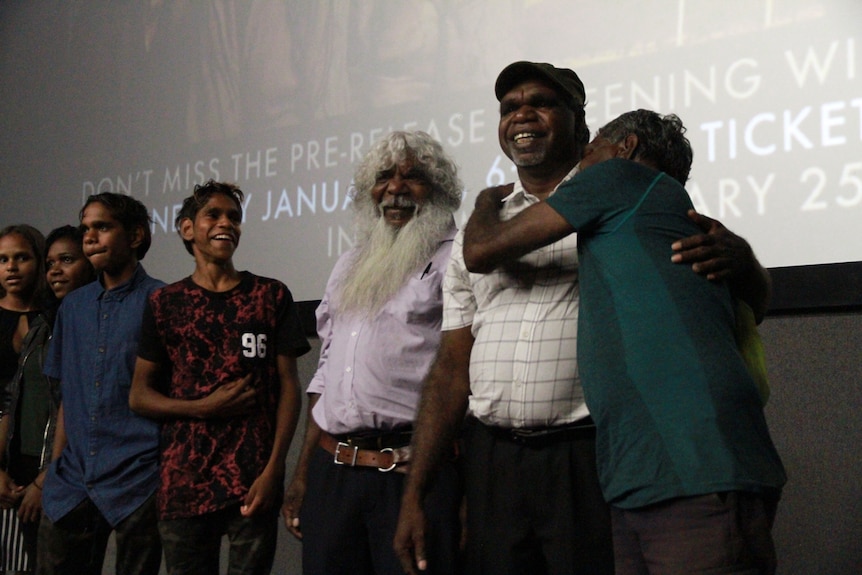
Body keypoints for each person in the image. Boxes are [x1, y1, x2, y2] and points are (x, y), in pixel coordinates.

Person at [394, 62, 772, 575]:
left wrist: (746, 261)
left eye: (542, 102)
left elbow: (737, 297)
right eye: (509, 107)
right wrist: (419, 490)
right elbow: (451, 365)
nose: (522, 114)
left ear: (587, 127)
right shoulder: (489, 231)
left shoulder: (625, 190)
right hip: (509, 464)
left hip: (596, 458)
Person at [282, 131, 463, 575]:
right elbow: (324, 374)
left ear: (439, 191)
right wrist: (304, 471)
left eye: (413, 177)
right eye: (384, 176)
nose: (395, 188)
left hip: (412, 474)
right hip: (333, 472)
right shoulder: (349, 262)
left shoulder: (458, 258)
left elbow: (465, 375)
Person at [129, 180, 310, 575]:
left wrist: (274, 468)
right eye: (214, 214)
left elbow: (289, 389)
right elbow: (139, 396)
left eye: (235, 217)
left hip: (253, 476)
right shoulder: (164, 303)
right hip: (184, 480)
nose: (226, 223)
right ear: (187, 228)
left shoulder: (270, 295)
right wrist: (202, 407)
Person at [37, 193, 165, 575]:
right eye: (86, 228)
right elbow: (68, 398)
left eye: (103, 226)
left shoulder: (161, 300)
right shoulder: (73, 307)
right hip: (72, 479)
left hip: (138, 476)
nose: (90, 236)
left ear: (136, 236)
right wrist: (56, 469)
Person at [0, 224, 48, 573]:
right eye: (2, 259)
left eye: (22, 257)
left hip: (36, 452)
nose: (11, 267)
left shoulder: (55, 317)